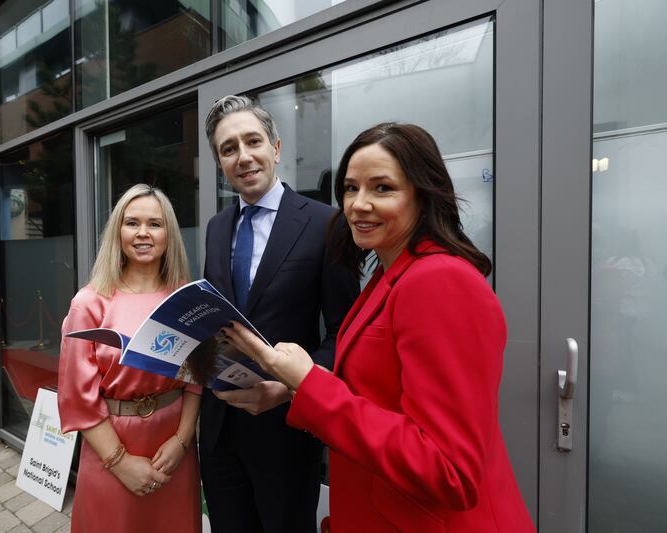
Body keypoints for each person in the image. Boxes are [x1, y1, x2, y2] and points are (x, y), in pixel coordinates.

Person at [222, 123, 536, 532]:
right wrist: (294, 385)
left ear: (423, 195)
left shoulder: (439, 280)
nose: (358, 204)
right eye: (351, 189)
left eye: (382, 188)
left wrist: (308, 381)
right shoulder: (388, 276)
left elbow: (447, 469)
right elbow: (378, 394)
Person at [201, 95, 360, 532]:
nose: (243, 156)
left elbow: (346, 331)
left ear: (275, 147)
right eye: (228, 148)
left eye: (252, 141)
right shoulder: (217, 229)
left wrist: (292, 388)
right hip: (218, 432)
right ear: (219, 161)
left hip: (286, 432)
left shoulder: (327, 224)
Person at [58, 184, 201, 533]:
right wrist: (120, 463)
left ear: (168, 233)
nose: (143, 233)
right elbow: (78, 398)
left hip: (173, 447)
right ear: (117, 232)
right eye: (131, 223)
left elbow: (197, 379)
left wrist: (182, 442)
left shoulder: (186, 296)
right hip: (110, 449)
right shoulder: (89, 303)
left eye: (155, 223)